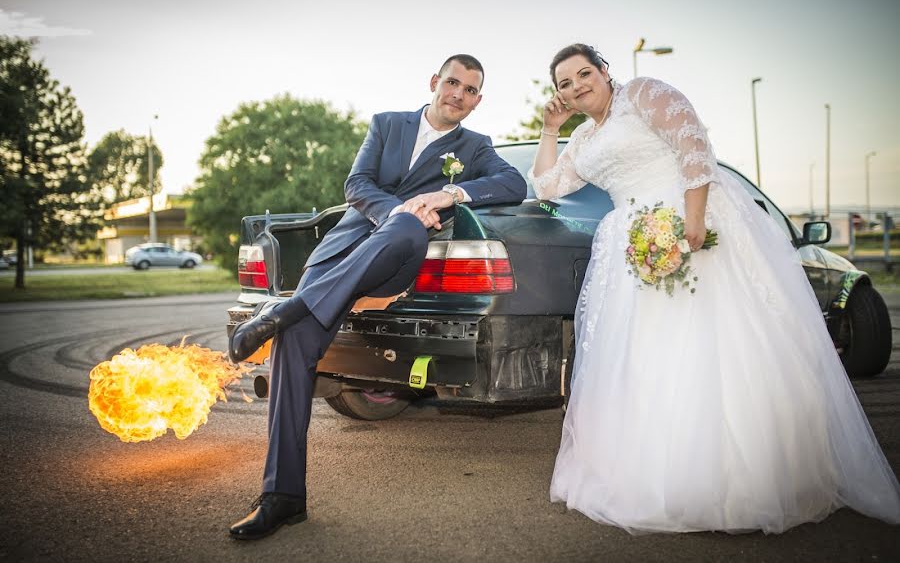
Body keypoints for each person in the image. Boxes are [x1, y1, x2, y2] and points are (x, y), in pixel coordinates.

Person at [532, 43, 900, 534]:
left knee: (711, 341)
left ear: (604, 71)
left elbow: (693, 146)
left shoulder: (643, 94)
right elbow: (546, 187)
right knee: (645, 355)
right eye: (564, 83)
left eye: (584, 73)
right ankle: (656, 471)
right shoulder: (580, 138)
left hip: (685, 222)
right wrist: (550, 130)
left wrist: (694, 221)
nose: (577, 85)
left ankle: (740, 478)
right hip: (631, 248)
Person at [227, 54, 527, 540]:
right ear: (435, 82)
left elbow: (513, 182)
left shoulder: (475, 147)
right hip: (345, 249)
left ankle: (283, 310)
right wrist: (399, 209)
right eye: (452, 82)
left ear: (477, 101)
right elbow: (357, 184)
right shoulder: (387, 124)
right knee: (295, 346)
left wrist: (448, 195)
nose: (458, 94)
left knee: (409, 227)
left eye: (470, 90)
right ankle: (282, 496)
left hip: (399, 260)